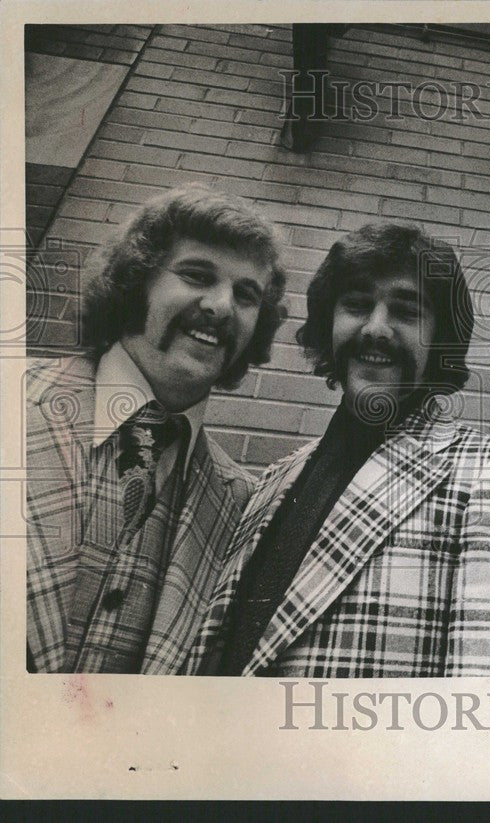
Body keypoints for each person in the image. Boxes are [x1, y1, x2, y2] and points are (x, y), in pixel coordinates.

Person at [186, 222, 490, 677]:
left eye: (406, 311)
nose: (376, 328)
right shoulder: (273, 478)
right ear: (330, 323)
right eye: (358, 305)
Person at [26, 184, 287, 674]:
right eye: (196, 274)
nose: (221, 306)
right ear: (136, 282)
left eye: (246, 294)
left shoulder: (242, 507)